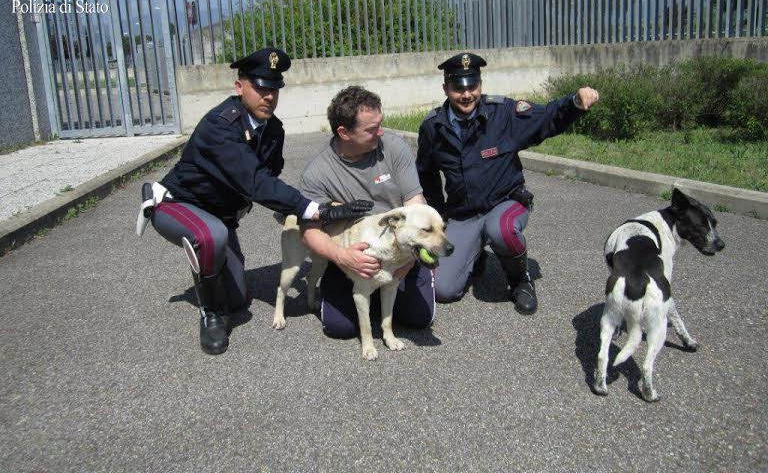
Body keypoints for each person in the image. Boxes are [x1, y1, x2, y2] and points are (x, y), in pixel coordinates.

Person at [139, 48, 372, 355]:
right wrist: (317, 210)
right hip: (179, 204)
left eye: (275, 88)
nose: (269, 96)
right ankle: (210, 314)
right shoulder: (219, 126)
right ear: (239, 87)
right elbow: (256, 182)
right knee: (211, 237)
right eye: (261, 87)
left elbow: (269, 182)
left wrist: (298, 212)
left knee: (238, 301)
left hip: (220, 214)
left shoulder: (273, 129)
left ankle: (214, 277)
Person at [416, 52, 600, 314]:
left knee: (500, 229)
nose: (466, 94)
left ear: (480, 85)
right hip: (464, 213)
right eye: (458, 88)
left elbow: (546, 118)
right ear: (446, 88)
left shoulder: (502, 114)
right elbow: (427, 173)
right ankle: (476, 254)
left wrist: (574, 103)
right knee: (443, 290)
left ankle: (520, 281)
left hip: (505, 202)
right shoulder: (433, 127)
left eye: (472, 86)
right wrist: (439, 215)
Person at [300, 86, 436, 338]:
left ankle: (380, 297)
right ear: (344, 132)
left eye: (380, 124)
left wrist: (412, 256)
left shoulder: (394, 147)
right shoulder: (317, 174)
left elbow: (415, 204)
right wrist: (343, 258)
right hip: (353, 256)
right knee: (340, 328)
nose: (381, 132)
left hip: (400, 251)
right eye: (372, 129)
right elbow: (309, 232)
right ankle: (364, 295)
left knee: (418, 318)